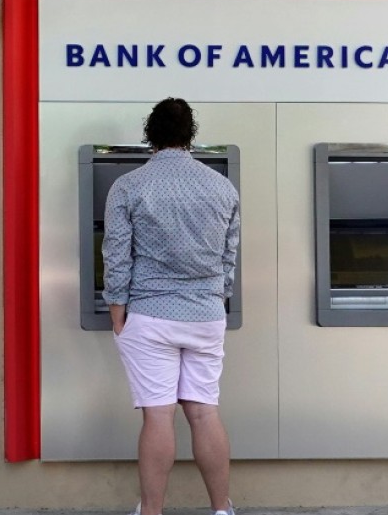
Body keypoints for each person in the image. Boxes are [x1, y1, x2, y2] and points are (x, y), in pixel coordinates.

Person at [102, 97, 240, 515]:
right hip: (206, 315)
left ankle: (152, 512)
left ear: (151, 135)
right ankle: (221, 510)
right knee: (204, 412)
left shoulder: (129, 186)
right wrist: (216, 297)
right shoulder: (222, 187)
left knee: (158, 416)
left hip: (150, 315)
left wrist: (116, 310)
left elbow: (116, 254)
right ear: (190, 135)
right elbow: (228, 255)